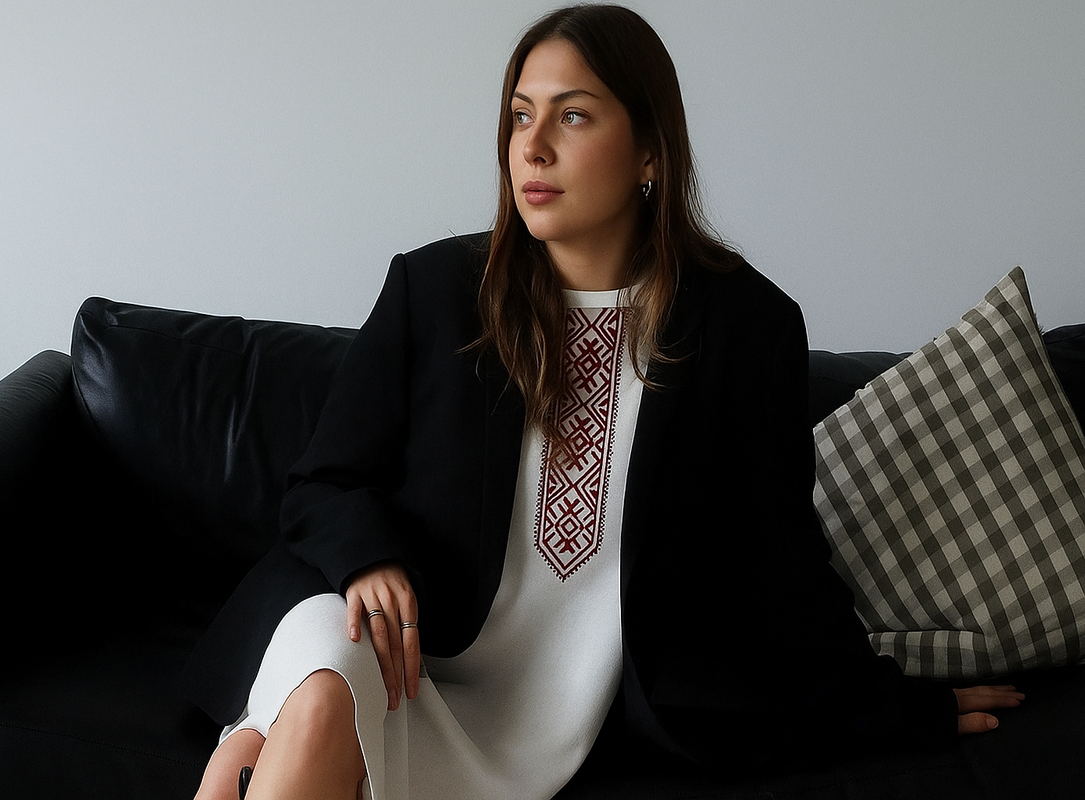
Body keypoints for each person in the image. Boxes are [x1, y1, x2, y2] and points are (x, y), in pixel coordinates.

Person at [186, 5, 1023, 799]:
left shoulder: (746, 328)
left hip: (546, 704)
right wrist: (369, 560)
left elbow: (780, 565)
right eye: (520, 116)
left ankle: (261, 733)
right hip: (399, 646)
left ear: (650, 150)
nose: (532, 147)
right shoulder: (434, 291)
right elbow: (324, 480)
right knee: (321, 695)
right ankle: (264, 714)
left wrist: (891, 709)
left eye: (573, 116)